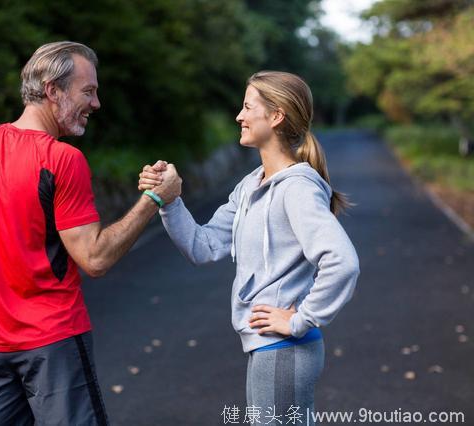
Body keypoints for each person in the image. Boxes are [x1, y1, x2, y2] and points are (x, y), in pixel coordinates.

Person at [0, 41, 181, 426]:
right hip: (53, 343)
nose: (97, 103)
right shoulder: (61, 159)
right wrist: (154, 198)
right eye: (88, 91)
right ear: (53, 90)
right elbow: (96, 258)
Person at [139, 71, 360, 422]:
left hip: (285, 347)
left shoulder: (296, 188)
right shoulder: (250, 186)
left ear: (276, 116)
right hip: (269, 348)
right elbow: (203, 245)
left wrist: (302, 318)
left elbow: (342, 261)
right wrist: (170, 199)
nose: (239, 116)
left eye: (247, 107)